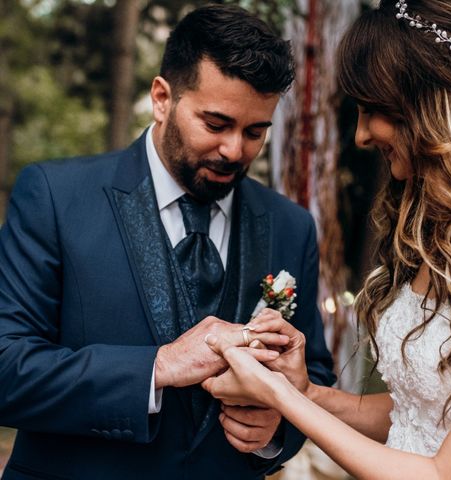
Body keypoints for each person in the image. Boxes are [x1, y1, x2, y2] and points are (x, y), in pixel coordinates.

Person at [200, 1, 451, 479]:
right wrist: (306, 392)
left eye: (373, 111)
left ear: (434, 103)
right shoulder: (450, 224)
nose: (363, 136)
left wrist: (279, 398)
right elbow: (422, 413)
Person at [0, 4, 335, 479]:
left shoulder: (290, 225)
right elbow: (6, 369)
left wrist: (277, 429)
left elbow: (313, 374)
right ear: (162, 98)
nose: (235, 150)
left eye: (255, 131)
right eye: (216, 124)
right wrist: (157, 367)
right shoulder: (55, 198)